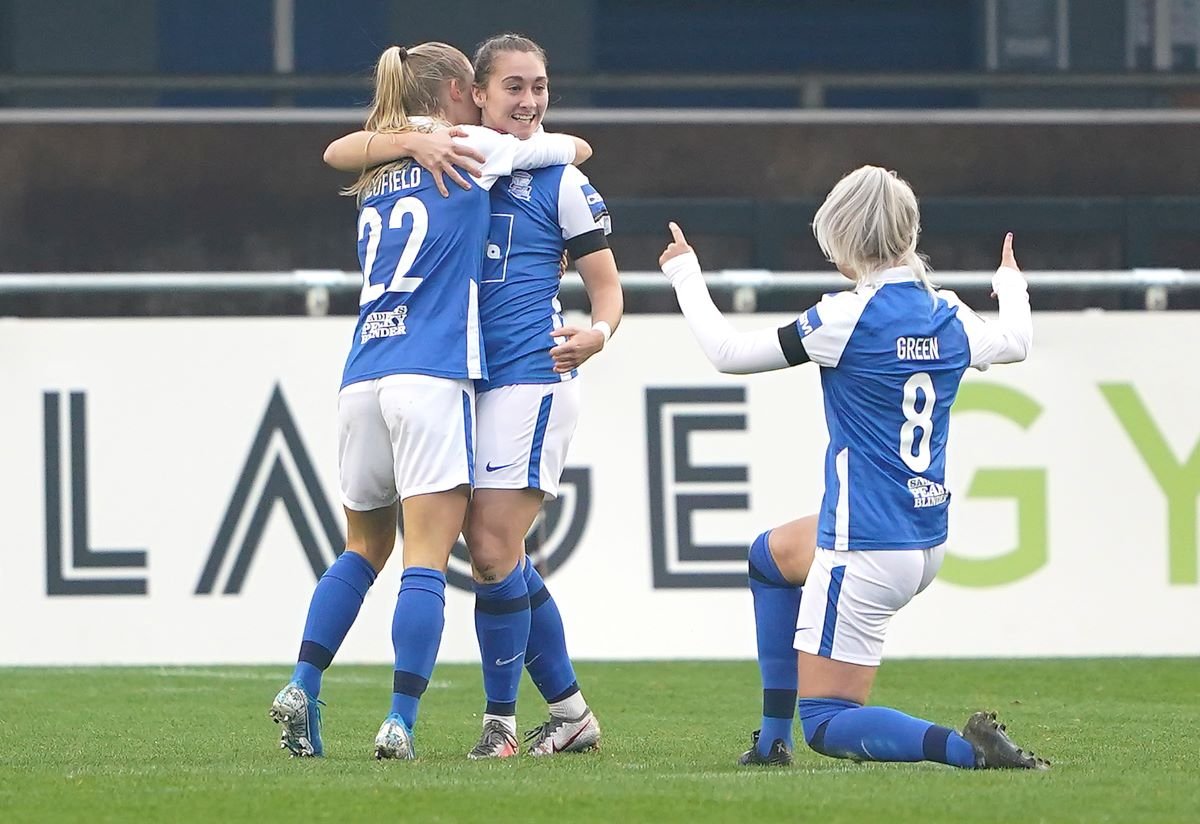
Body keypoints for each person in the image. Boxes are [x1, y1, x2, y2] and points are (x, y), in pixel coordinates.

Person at [657, 165, 1049, 771]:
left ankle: (967, 750)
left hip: (863, 543)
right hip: (922, 538)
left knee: (829, 721)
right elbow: (1018, 342)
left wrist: (684, 272)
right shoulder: (947, 313)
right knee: (770, 557)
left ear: (845, 241)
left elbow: (727, 354)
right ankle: (769, 742)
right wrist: (1010, 283)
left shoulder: (844, 317)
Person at [270, 41, 590, 761]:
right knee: (424, 560)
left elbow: (333, 151)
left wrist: (407, 137)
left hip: (362, 373)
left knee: (360, 548)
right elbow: (572, 146)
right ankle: (400, 723)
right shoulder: (470, 145)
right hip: (431, 374)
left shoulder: (379, 168)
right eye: (478, 88)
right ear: (457, 89)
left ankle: (301, 684)